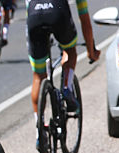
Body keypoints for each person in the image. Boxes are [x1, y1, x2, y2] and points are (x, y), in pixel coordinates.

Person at [27, 0, 98, 139]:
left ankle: (39, 131)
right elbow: (85, 20)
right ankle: (66, 87)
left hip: (34, 16)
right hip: (58, 13)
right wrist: (91, 51)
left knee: (38, 76)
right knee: (70, 51)